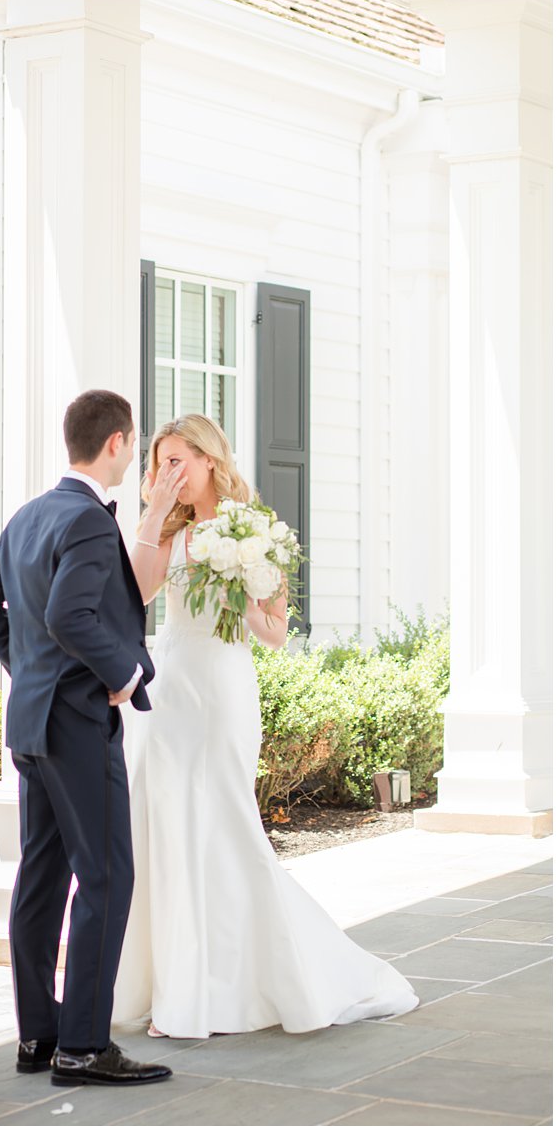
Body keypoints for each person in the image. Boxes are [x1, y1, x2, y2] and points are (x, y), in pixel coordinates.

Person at [113, 412, 418, 1038]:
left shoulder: (256, 532)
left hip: (222, 690)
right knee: (164, 827)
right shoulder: (164, 536)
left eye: (179, 461)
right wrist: (149, 517)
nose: (168, 473)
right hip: (168, 691)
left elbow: (276, 635)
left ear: (209, 461)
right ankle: (175, 983)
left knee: (221, 823)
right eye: (160, 463)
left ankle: (244, 981)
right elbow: (132, 598)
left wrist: (242, 593)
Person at [0, 389, 172, 1088]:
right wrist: (124, 670)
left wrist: (26, 665)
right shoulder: (83, 519)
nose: (131, 452)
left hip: (29, 721)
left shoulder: (29, 514)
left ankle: (38, 1037)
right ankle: (82, 1043)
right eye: (131, 442)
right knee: (108, 874)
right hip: (76, 723)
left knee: (42, 877)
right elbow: (68, 614)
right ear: (115, 443)